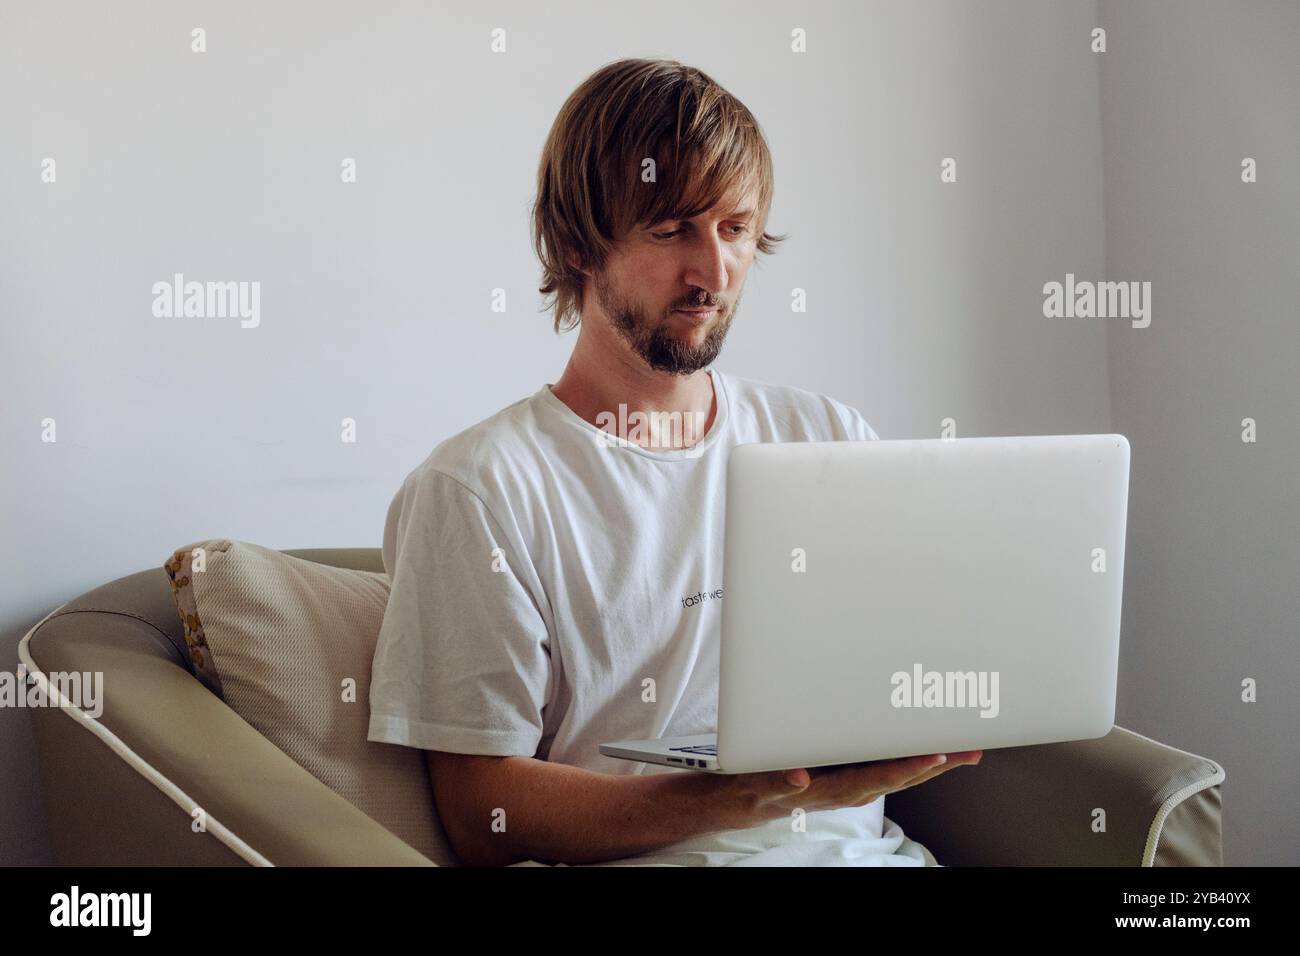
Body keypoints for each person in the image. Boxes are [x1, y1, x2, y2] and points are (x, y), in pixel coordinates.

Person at [367, 57, 981, 867]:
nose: (713, 272)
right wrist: (729, 797)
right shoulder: (480, 489)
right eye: (671, 231)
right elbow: (483, 813)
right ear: (576, 246)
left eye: (735, 230)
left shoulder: (828, 436)